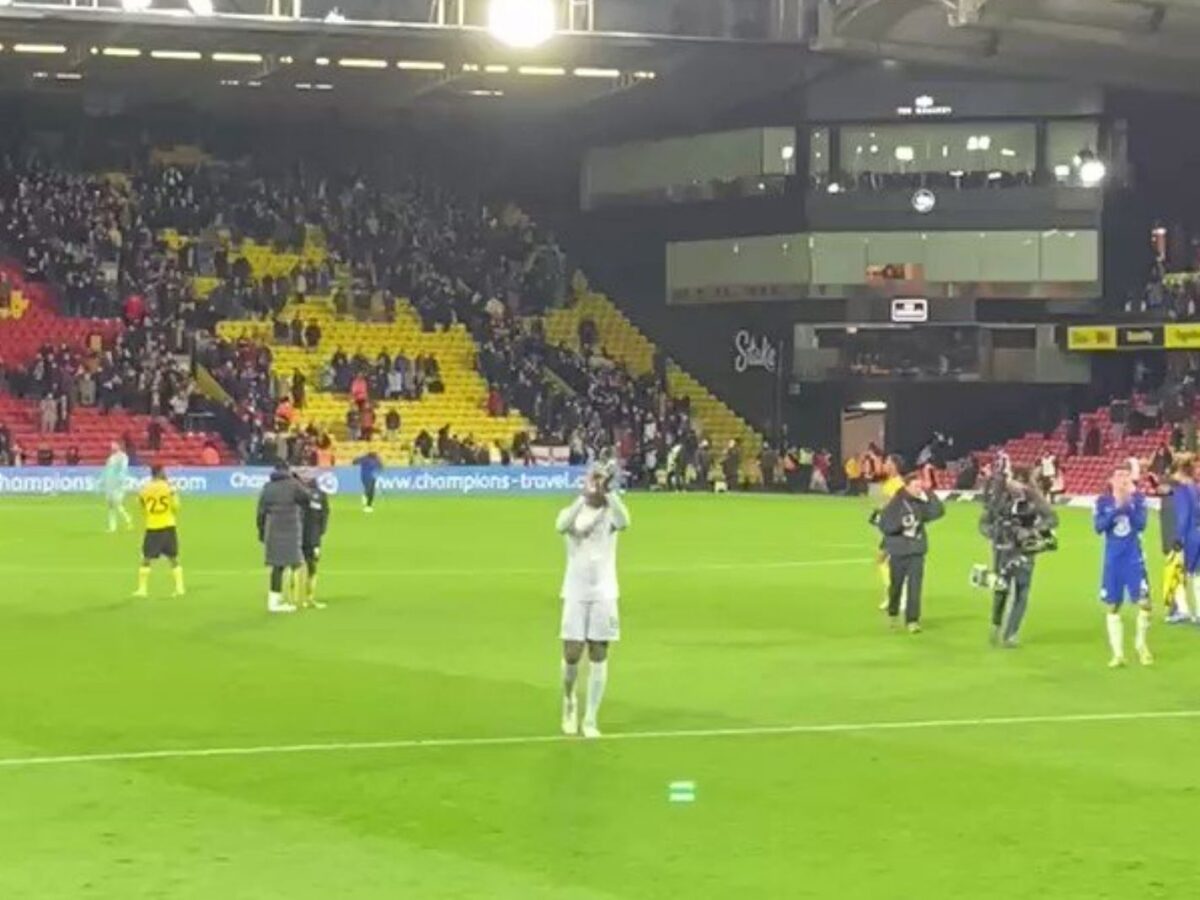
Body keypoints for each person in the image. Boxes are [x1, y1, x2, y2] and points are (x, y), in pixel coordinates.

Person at [556, 466, 631, 739]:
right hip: (575, 592)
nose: (596, 484)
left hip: (604, 593)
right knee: (572, 652)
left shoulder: (611, 512)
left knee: (599, 651)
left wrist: (609, 493)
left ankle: (590, 718)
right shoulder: (572, 511)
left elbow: (625, 522)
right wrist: (582, 498)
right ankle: (569, 701)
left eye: (600, 479)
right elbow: (561, 527)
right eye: (592, 478)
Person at [979, 469, 1058, 647]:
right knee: (1001, 589)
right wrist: (994, 533)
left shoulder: (1035, 500)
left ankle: (1011, 634)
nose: (1016, 486)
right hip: (1002, 550)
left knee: (1022, 592)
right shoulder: (1000, 500)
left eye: (1020, 482)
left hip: (1025, 550)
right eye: (1013, 481)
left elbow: (1052, 519)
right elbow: (984, 523)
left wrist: (1033, 531)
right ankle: (996, 624)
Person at [1094, 467, 1153, 668]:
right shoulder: (1103, 502)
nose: (1122, 479)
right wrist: (1115, 510)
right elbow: (1099, 527)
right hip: (1113, 560)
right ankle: (1118, 654)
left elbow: (1141, 524)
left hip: (1134, 558)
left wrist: (1127, 506)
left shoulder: (1138, 500)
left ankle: (1141, 645)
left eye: (1126, 476)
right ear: (1111, 480)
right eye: (1118, 475)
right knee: (1113, 605)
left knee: (1145, 603)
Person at [877, 469, 945, 633]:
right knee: (896, 586)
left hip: (916, 551)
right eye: (916, 486)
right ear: (906, 486)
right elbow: (884, 526)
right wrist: (902, 524)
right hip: (899, 551)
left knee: (915, 587)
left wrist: (929, 492)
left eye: (920, 487)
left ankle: (912, 621)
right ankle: (893, 613)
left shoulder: (918, 504)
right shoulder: (895, 503)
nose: (918, 490)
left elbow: (938, 512)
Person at [256, 461, 311, 614]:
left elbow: (260, 512)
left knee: (277, 566)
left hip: (272, 529)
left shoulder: (268, 487)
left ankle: (274, 599)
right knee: (294, 563)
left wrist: (261, 531)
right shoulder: (293, 484)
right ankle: (291, 598)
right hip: (290, 528)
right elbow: (307, 498)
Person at [133, 464, 185, 598]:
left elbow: (141, 505)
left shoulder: (145, 489)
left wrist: (148, 514)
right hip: (168, 525)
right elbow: (176, 507)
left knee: (146, 558)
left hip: (152, 526)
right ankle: (179, 588)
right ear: (160, 472)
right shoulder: (168, 488)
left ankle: (142, 589)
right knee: (173, 558)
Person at [1164, 460, 1199, 623]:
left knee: (1177, 572)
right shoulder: (1195, 488)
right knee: (1198, 574)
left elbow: (1183, 516)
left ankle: (1183, 610)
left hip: (1188, 536)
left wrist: (1178, 538)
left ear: (1180, 471)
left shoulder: (1182, 490)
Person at [872, 455, 906, 612]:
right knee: (884, 560)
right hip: (890, 527)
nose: (885, 464)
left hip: (895, 529)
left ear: (894, 465)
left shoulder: (898, 484)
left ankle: (898, 597)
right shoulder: (891, 482)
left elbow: (895, 506)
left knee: (885, 560)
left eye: (887, 462)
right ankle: (894, 595)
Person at [299, 472, 331, 610]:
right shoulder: (321, 496)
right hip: (313, 539)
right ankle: (309, 599)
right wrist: (319, 538)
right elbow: (324, 518)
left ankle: (294, 600)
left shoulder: (299, 496)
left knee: (294, 568)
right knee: (312, 569)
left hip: (297, 537)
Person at [100, 440, 133, 533]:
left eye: (114, 445)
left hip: (118, 485)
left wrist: (121, 480)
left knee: (117, 504)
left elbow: (123, 469)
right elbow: (106, 470)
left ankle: (128, 520)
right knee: (111, 507)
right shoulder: (111, 458)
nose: (112, 447)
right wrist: (103, 481)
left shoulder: (123, 457)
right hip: (110, 485)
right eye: (111, 446)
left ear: (119, 446)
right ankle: (112, 527)